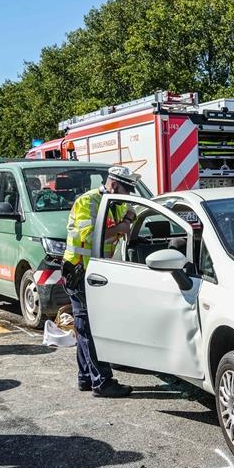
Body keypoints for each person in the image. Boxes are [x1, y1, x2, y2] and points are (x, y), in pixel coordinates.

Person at [61, 166, 140, 398]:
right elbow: (88, 236)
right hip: (79, 271)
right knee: (89, 327)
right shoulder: (88, 202)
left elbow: (131, 211)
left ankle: (86, 377)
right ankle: (102, 382)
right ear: (114, 185)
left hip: (95, 273)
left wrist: (128, 217)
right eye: (126, 190)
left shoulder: (115, 203)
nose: (127, 197)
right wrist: (120, 228)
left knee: (85, 326)